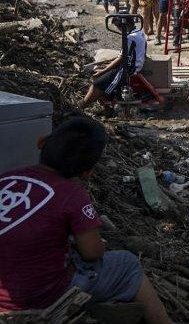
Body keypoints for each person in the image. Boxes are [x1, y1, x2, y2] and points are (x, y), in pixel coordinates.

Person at [0, 117, 171, 322]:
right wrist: (97, 245)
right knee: (128, 264)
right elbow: (91, 253)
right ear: (87, 172)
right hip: (37, 301)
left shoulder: (6, 179)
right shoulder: (73, 195)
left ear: (41, 142)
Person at [81, 17, 148, 108]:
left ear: (124, 25)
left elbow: (122, 58)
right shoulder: (139, 31)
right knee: (95, 70)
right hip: (133, 64)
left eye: (118, 27)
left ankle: (81, 106)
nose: (118, 29)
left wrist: (104, 70)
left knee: (96, 84)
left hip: (128, 68)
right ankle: (105, 102)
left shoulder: (130, 37)